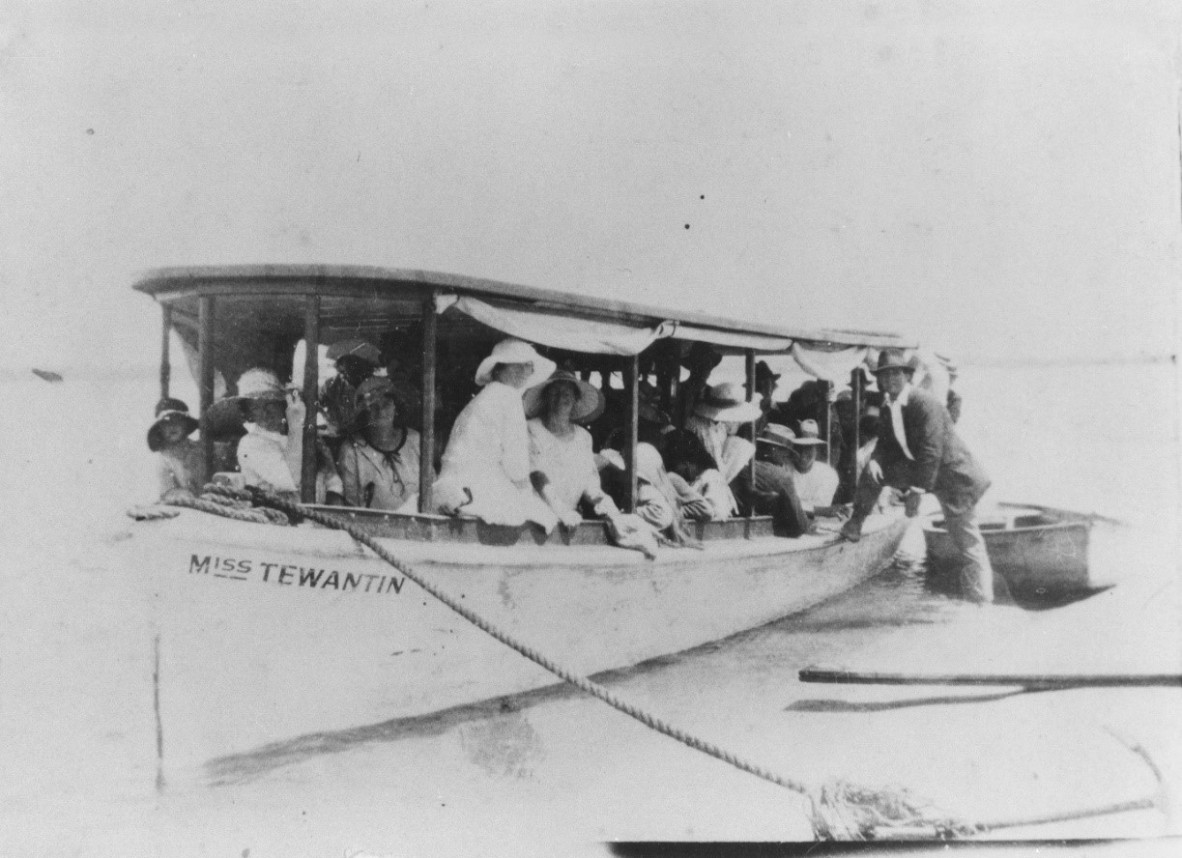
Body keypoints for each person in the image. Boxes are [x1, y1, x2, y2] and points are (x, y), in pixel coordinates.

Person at [840, 349, 995, 603]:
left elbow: (931, 450)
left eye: (895, 373)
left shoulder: (924, 402)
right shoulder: (889, 404)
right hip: (922, 469)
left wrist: (917, 491)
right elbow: (885, 443)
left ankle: (982, 604)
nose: (890, 379)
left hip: (953, 476)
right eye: (884, 375)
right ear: (879, 380)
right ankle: (855, 524)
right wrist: (877, 461)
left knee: (968, 543)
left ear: (906, 376)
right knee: (872, 471)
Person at [432, 338, 559, 529]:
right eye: (517, 366)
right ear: (498, 369)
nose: (524, 372)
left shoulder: (487, 396)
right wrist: (529, 498)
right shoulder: (507, 396)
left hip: (452, 486)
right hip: (475, 488)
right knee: (545, 519)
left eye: (528, 366)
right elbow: (516, 465)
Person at [231, 368, 344, 504]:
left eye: (270, 403)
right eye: (256, 407)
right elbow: (291, 479)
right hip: (274, 519)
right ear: (249, 414)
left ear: (281, 403)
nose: (265, 412)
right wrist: (295, 425)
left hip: (319, 518)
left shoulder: (307, 436)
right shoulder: (250, 444)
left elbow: (333, 481)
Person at [524, 370, 620, 528]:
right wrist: (561, 510)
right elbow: (536, 474)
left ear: (575, 399)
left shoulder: (584, 437)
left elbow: (588, 481)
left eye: (567, 393)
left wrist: (604, 501)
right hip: (535, 516)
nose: (562, 397)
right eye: (555, 392)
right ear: (545, 398)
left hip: (569, 519)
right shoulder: (532, 428)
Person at [337, 377, 426, 512]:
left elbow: (432, 489)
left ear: (396, 407)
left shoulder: (415, 440)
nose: (381, 411)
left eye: (386, 404)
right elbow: (353, 508)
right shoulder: (352, 449)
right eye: (372, 407)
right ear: (364, 414)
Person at [685, 382, 761, 517]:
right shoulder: (694, 425)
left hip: (719, 472)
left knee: (740, 446)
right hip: (700, 476)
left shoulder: (721, 426)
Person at [731, 424, 810, 537]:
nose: (787, 457)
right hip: (763, 534)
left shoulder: (741, 464)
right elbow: (800, 526)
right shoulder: (781, 476)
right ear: (774, 449)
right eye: (786, 451)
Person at [320, 339, 382, 439]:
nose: (349, 368)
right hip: (338, 435)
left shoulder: (375, 385)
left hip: (367, 437)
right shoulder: (333, 384)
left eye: (355, 363)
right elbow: (321, 401)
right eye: (346, 362)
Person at [662, 429, 730, 521]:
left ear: (688, 462)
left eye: (677, 464)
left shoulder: (712, 477)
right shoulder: (695, 480)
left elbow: (713, 513)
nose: (676, 470)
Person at [147, 397, 202, 499]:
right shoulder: (164, 459)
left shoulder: (200, 449)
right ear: (161, 429)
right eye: (166, 423)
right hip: (185, 508)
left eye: (178, 421)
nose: (172, 426)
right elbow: (166, 492)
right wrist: (183, 495)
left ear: (186, 424)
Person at [787, 419, 842, 516]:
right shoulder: (785, 469)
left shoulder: (827, 474)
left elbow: (822, 505)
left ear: (816, 449)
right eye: (799, 448)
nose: (803, 454)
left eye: (808, 448)